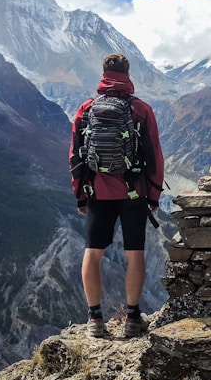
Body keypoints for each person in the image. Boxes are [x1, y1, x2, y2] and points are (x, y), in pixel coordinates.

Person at [69, 53, 164, 338]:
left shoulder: (86, 109)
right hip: (134, 192)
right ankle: (133, 318)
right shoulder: (141, 110)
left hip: (97, 191)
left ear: (103, 74)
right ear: (128, 73)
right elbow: (155, 156)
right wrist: (154, 196)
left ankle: (95, 320)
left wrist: (80, 196)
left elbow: (75, 157)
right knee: (135, 254)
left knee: (93, 252)